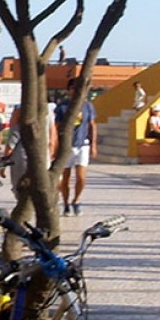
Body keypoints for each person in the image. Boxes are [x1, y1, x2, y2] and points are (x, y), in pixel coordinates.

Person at [56, 78, 98, 216]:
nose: (75, 91)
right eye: (73, 88)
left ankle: (76, 200)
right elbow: (56, 127)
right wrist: (55, 146)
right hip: (66, 146)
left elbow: (92, 125)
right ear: (68, 90)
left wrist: (93, 144)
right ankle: (66, 202)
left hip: (82, 144)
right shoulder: (62, 106)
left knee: (81, 177)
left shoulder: (87, 106)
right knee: (65, 178)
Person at [2, 103, 57, 198]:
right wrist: (51, 154)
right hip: (43, 153)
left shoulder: (20, 110)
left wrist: (4, 161)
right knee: (40, 186)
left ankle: (24, 208)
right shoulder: (48, 111)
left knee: (21, 187)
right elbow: (52, 136)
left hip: (22, 153)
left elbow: (13, 137)